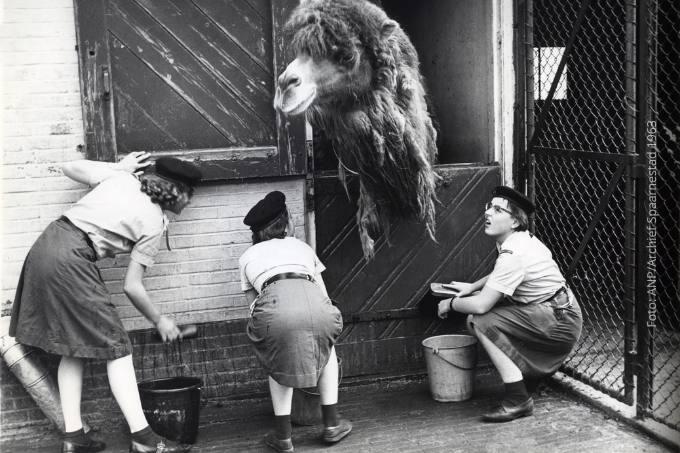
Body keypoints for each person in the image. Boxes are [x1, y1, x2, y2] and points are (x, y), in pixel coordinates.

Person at [9, 153, 202, 453]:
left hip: (45, 246)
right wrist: (160, 320)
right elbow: (132, 287)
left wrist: (118, 167)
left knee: (73, 347)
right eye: (190, 195)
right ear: (176, 192)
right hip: (71, 260)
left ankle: (74, 438)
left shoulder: (121, 178)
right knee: (118, 347)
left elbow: (68, 165)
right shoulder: (153, 222)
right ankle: (144, 439)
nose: (189, 204)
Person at [437, 186, 582, 422]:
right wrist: (472, 286)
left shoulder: (514, 252)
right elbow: (500, 274)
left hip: (558, 320)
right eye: (488, 207)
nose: (487, 213)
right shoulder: (517, 240)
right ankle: (527, 379)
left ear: (514, 222)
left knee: (479, 320)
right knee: (493, 314)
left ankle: (518, 400)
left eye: (497, 210)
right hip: (557, 311)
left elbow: (481, 305)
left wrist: (451, 303)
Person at [239, 191, 352, 452]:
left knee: (274, 354)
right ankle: (332, 425)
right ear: (287, 223)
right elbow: (324, 295)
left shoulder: (246, 257)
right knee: (328, 350)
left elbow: (252, 307)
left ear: (256, 233)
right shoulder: (303, 248)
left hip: (273, 304)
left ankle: (283, 437)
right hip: (314, 301)